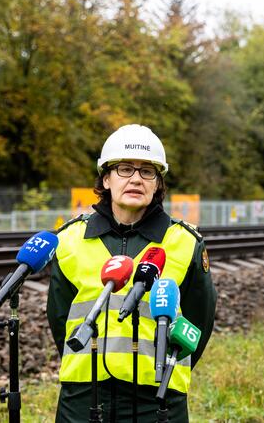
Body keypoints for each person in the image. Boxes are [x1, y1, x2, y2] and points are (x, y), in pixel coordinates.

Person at [47, 124, 217, 422]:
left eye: (147, 171)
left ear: (157, 184)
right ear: (106, 179)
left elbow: (198, 320)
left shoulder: (185, 243)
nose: (136, 178)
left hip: (158, 396)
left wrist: (168, 367)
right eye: (125, 169)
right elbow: (59, 317)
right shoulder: (70, 240)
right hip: (83, 393)